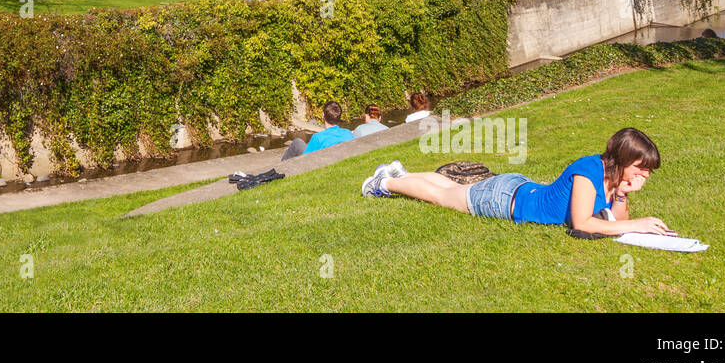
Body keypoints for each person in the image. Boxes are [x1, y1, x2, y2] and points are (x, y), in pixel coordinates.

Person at [361, 127, 674, 237]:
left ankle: (400, 173)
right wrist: (636, 225)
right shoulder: (588, 171)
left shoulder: (612, 177)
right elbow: (583, 224)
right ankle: (383, 184)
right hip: (504, 199)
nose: (643, 176)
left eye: (647, 171)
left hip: (517, 188)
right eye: (640, 168)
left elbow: (614, 220)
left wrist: (621, 196)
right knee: (441, 196)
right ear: (621, 158)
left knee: (450, 187)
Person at [281, 101, 353, 160]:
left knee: (297, 143)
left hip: (320, 163)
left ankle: (280, 169)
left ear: (323, 115)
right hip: (337, 159)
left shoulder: (318, 137)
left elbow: (306, 159)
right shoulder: (348, 133)